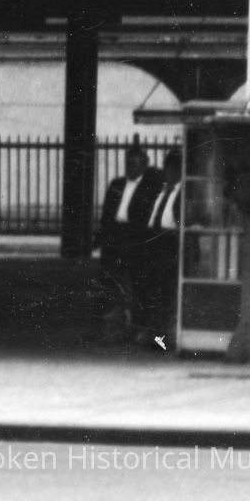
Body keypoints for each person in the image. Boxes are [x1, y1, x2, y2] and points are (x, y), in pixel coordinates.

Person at [96, 144, 163, 341]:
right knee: (110, 282)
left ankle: (136, 325)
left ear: (144, 164)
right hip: (114, 237)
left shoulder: (150, 187)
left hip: (135, 239)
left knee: (137, 284)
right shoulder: (116, 184)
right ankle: (109, 325)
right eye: (128, 163)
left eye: (135, 163)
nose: (130, 167)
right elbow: (107, 213)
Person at [138, 149, 183, 348]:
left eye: (173, 169)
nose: (169, 173)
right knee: (153, 293)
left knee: (166, 294)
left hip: (169, 245)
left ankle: (162, 339)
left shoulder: (182, 193)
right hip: (154, 244)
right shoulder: (163, 191)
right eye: (167, 169)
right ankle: (154, 336)